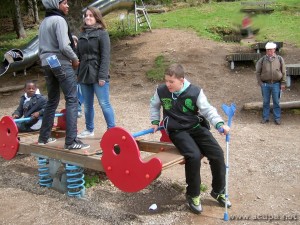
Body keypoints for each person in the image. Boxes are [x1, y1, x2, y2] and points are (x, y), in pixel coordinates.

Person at [150, 63, 232, 214]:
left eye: (171, 81)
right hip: (177, 130)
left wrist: (220, 124)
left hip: (195, 127)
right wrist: (155, 121)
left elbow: (207, 110)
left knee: (217, 154)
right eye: (166, 80)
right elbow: (154, 105)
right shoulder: (161, 90)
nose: (167, 84)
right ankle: (193, 194)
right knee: (193, 156)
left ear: (182, 80)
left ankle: (219, 191)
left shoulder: (195, 91)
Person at [38, 0, 90, 150]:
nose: (67, 6)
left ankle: (44, 137)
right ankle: (71, 141)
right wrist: (74, 58)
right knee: (72, 99)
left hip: (47, 64)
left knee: (52, 100)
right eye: (65, 3)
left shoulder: (44, 22)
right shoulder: (59, 20)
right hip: (61, 62)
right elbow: (63, 46)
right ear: (56, 4)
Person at [76, 7, 115, 138]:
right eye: (86, 15)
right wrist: (77, 73)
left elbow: (105, 56)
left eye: (91, 15)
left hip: (98, 72)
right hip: (84, 74)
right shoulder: (81, 34)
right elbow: (78, 56)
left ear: (97, 18)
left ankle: (112, 131)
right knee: (87, 105)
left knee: (104, 103)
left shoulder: (102, 33)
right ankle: (89, 129)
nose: (88, 18)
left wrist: (102, 76)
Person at [256, 42, 286, 125]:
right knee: (266, 102)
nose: (269, 51)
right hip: (265, 84)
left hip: (276, 84)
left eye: (271, 49)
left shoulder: (280, 59)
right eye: (267, 50)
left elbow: (283, 72)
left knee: (276, 101)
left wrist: (283, 83)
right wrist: (260, 82)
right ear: (266, 50)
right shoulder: (262, 60)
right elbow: (257, 72)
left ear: (274, 50)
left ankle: (277, 118)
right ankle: (265, 117)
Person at [72, 34, 83, 118]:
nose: (74, 43)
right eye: (72, 42)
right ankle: (77, 110)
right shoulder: (69, 53)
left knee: (81, 94)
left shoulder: (80, 52)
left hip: (81, 76)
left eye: (75, 41)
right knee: (75, 93)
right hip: (73, 76)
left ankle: (79, 108)